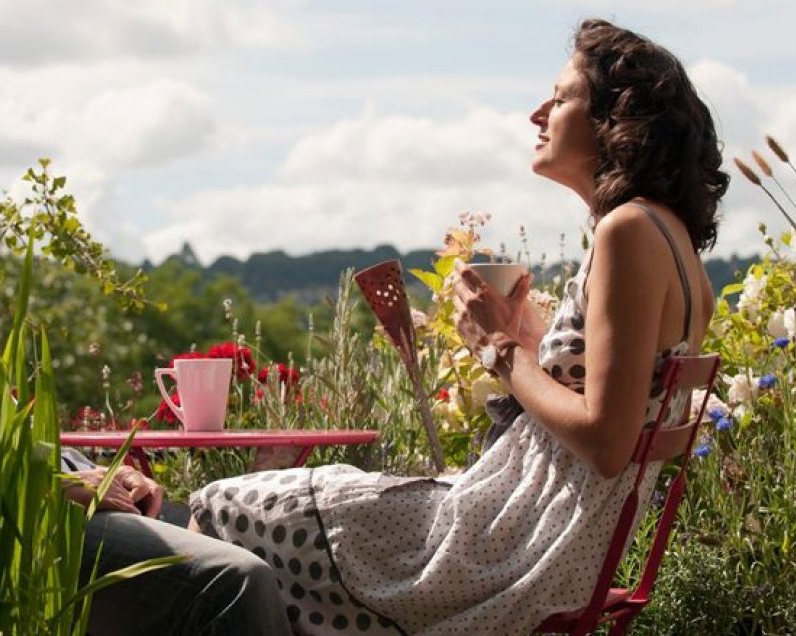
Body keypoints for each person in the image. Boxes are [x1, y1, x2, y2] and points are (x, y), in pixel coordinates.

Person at [188, 18, 729, 635]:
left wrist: (498, 350)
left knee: (228, 508)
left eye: (560, 97)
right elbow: (612, 406)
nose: (537, 112)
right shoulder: (671, 241)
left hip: (514, 543)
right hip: (550, 538)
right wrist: (527, 340)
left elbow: (606, 442)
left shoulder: (627, 231)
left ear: (616, 117)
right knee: (289, 505)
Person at [61, 448, 292, 636]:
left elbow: (40, 443)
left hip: (74, 483)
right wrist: (60, 483)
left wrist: (105, 472)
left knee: (220, 527)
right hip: (50, 510)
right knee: (238, 579)